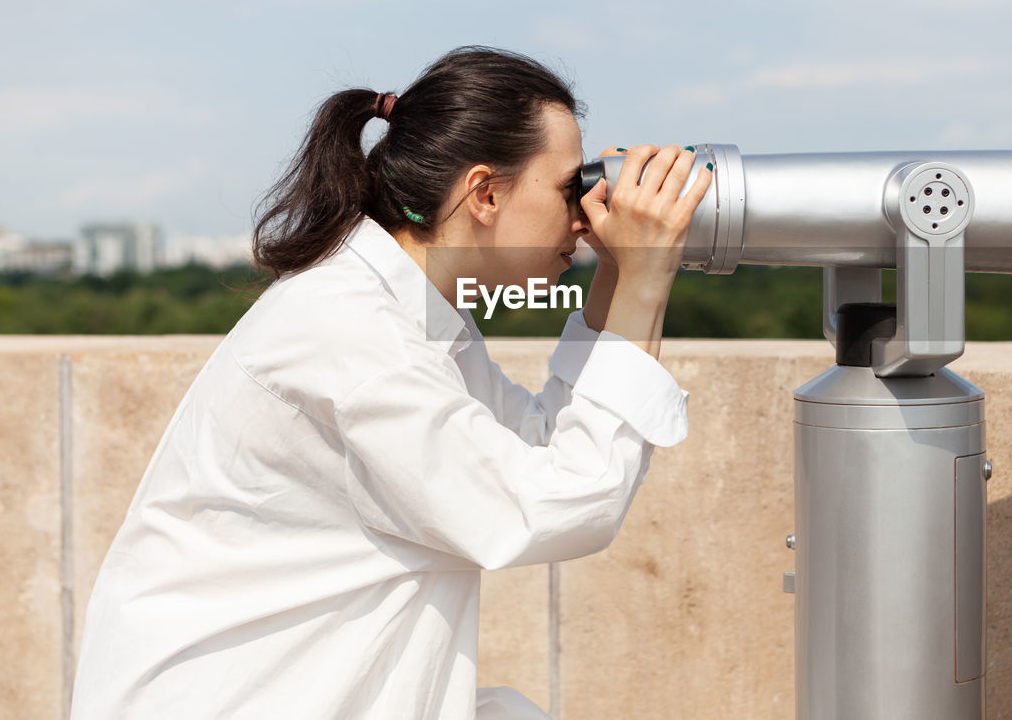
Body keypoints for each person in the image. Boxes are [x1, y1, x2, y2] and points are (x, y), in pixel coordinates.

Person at [70, 46, 713, 719]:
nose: (584, 215)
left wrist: (618, 275)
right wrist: (645, 275)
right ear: (486, 193)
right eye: (565, 189)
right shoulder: (352, 332)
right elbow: (549, 508)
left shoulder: (413, 311)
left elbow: (543, 444)